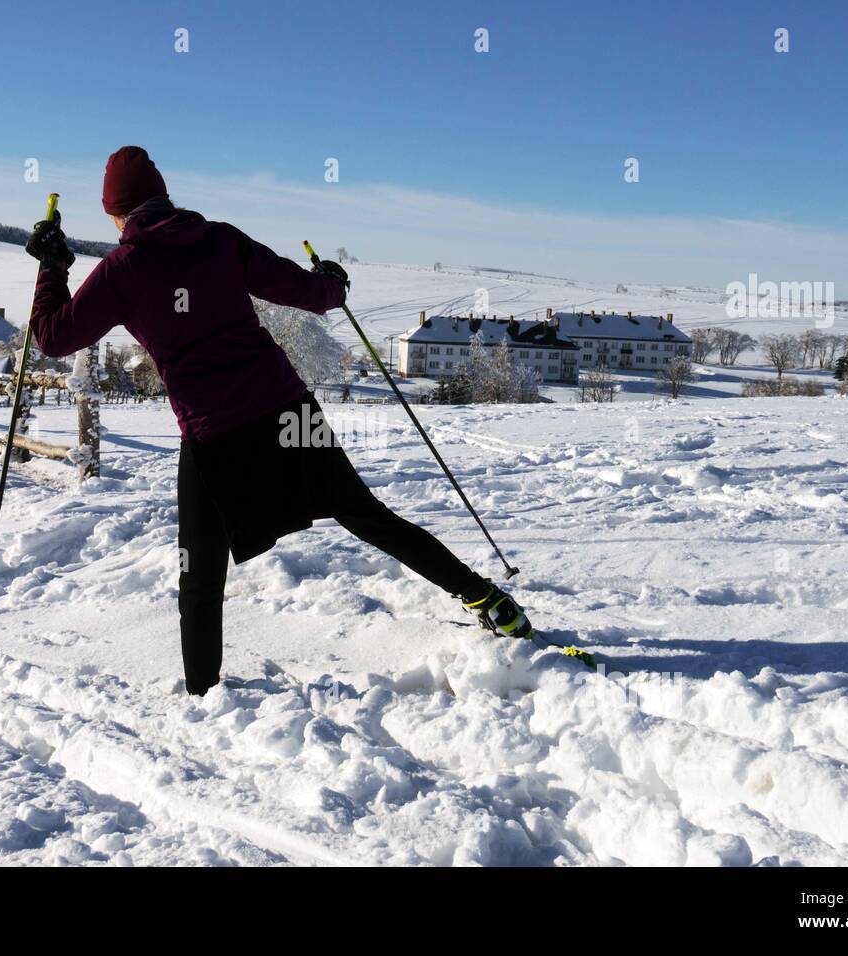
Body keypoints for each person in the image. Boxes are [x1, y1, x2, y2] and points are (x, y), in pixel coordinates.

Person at [26, 146, 534, 695]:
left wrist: (52, 267)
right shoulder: (220, 239)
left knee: (200, 571)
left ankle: (203, 694)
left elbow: (52, 337)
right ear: (165, 196)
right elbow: (314, 295)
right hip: (286, 410)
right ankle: (489, 599)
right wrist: (332, 280)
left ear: (116, 214)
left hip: (214, 433)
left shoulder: (121, 271)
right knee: (367, 515)